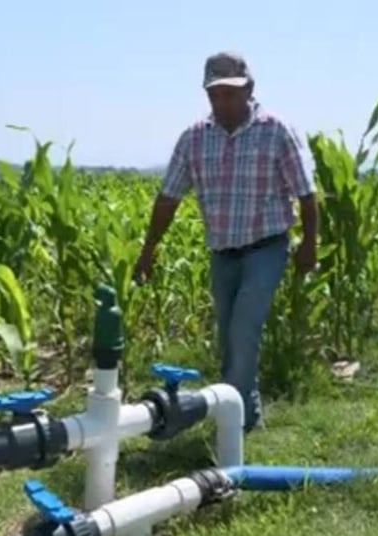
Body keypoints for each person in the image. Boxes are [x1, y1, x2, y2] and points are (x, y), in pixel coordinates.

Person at [132, 50, 319, 433]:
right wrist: (147, 251)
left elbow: (306, 193)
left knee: (244, 329)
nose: (222, 102)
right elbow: (168, 198)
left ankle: (236, 426)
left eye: (230, 93)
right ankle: (246, 414)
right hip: (222, 251)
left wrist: (309, 244)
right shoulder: (195, 138)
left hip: (266, 246)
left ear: (249, 89)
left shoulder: (276, 130)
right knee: (228, 335)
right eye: (215, 94)